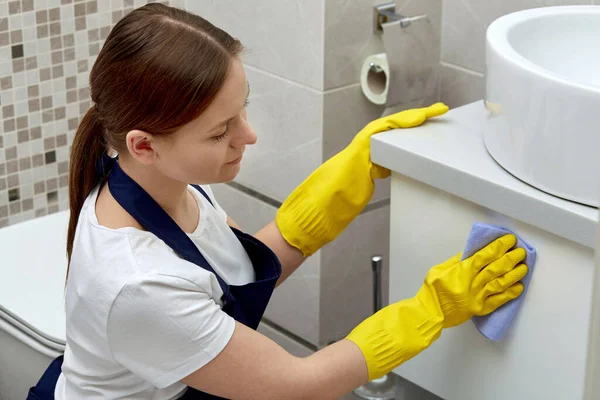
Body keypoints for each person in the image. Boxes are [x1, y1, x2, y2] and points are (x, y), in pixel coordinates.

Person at [27, 3, 528, 400]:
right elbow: (298, 386)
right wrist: (433, 309)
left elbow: (232, 276)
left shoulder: (158, 183)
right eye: (222, 131)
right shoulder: (138, 285)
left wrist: (343, 183)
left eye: (241, 110)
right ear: (145, 145)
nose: (249, 136)